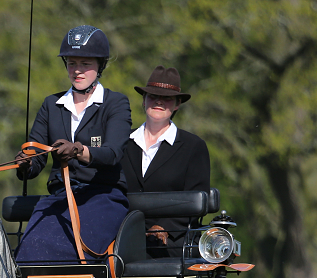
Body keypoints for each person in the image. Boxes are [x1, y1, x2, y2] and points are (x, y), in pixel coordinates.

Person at [14, 25, 132, 264]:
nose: (77, 70)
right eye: (71, 63)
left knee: (69, 250)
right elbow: (37, 159)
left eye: (85, 64)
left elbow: (112, 154)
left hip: (103, 196)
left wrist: (78, 150)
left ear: (100, 66)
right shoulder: (51, 105)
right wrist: (25, 164)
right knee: (28, 251)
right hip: (60, 197)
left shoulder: (116, 103)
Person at [120, 65, 210, 258]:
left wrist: (165, 228)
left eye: (167, 98)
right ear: (143, 101)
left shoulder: (193, 147)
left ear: (177, 104)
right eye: (152, 96)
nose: (159, 101)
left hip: (171, 248)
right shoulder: (122, 143)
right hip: (121, 243)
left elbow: (195, 200)